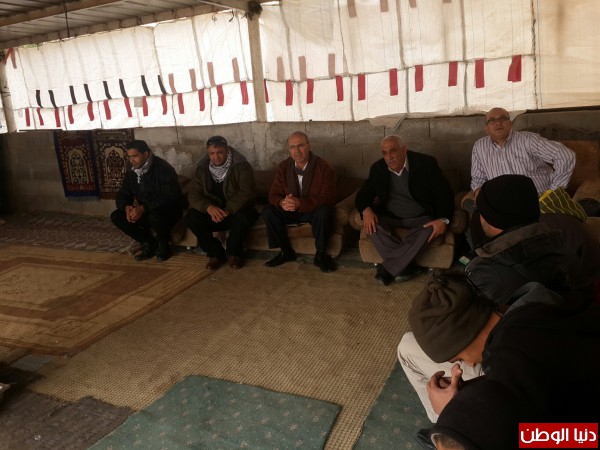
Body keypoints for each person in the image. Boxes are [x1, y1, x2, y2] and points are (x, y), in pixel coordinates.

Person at [412, 280, 600, 450]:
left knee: (406, 349)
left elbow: (581, 437)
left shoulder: (506, 357)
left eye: (458, 359)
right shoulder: (527, 315)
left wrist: (455, 414)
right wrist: (466, 401)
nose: (469, 364)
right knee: (406, 346)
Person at [354, 135, 454, 285]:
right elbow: (362, 196)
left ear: (404, 149)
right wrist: (366, 209)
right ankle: (406, 266)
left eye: (393, 151)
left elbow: (445, 194)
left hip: (420, 218)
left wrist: (443, 219)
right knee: (372, 226)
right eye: (384, 153)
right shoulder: (378, 168)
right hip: (391, 217)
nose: (389, 157)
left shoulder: (426, 164)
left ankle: (387, 269)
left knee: (431, 228)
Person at [262, 131, 337, 273]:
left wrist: (301, 203)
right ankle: (286, 251)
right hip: (290, 211)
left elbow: (329, 197)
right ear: (289, 150)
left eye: (300, 145)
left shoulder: (324, 167)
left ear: (309, 146)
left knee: (324, 211)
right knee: (268, 211)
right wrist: (282, 202)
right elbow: (273, 195)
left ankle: (320, 255)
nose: (297, 151)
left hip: (312, 211)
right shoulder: (284, 167)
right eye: (292, 147)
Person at [185, 136, 258, 270]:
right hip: (213, 213)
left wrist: (228, 210)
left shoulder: (241, 166)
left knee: (245, 216)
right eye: (212, 153)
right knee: (191, 217)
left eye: (220, 152)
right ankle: (215, 253)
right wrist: (208, 207)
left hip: (234, 211)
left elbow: (246, 192)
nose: (216, 157)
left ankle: (234, 253)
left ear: (227, 151)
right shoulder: (202, 169)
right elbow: (193, 194)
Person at [470, 107, 575, 197]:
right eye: (492, 120)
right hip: (502, 204)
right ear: (486, 128)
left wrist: (554, 192)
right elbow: (478, 179)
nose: (498, 123)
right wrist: (482, 200)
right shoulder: (479, 147)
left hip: (537, 200)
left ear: (510, 123)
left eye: (502, 118)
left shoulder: (528, 140)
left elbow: (565, 156)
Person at [111, 140, 183, 262]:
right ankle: (149, 242)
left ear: (145, 154)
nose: (132, 160)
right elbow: (124, 193)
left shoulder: (163, 168)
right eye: (129, 157)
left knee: (156, 216)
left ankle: (164, 245)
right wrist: (126, 206)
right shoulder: (132, 170)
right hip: (145, 210)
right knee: (117, 216)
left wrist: (144, 208)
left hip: (168, 211)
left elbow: (170, 197)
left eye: (135, 156)